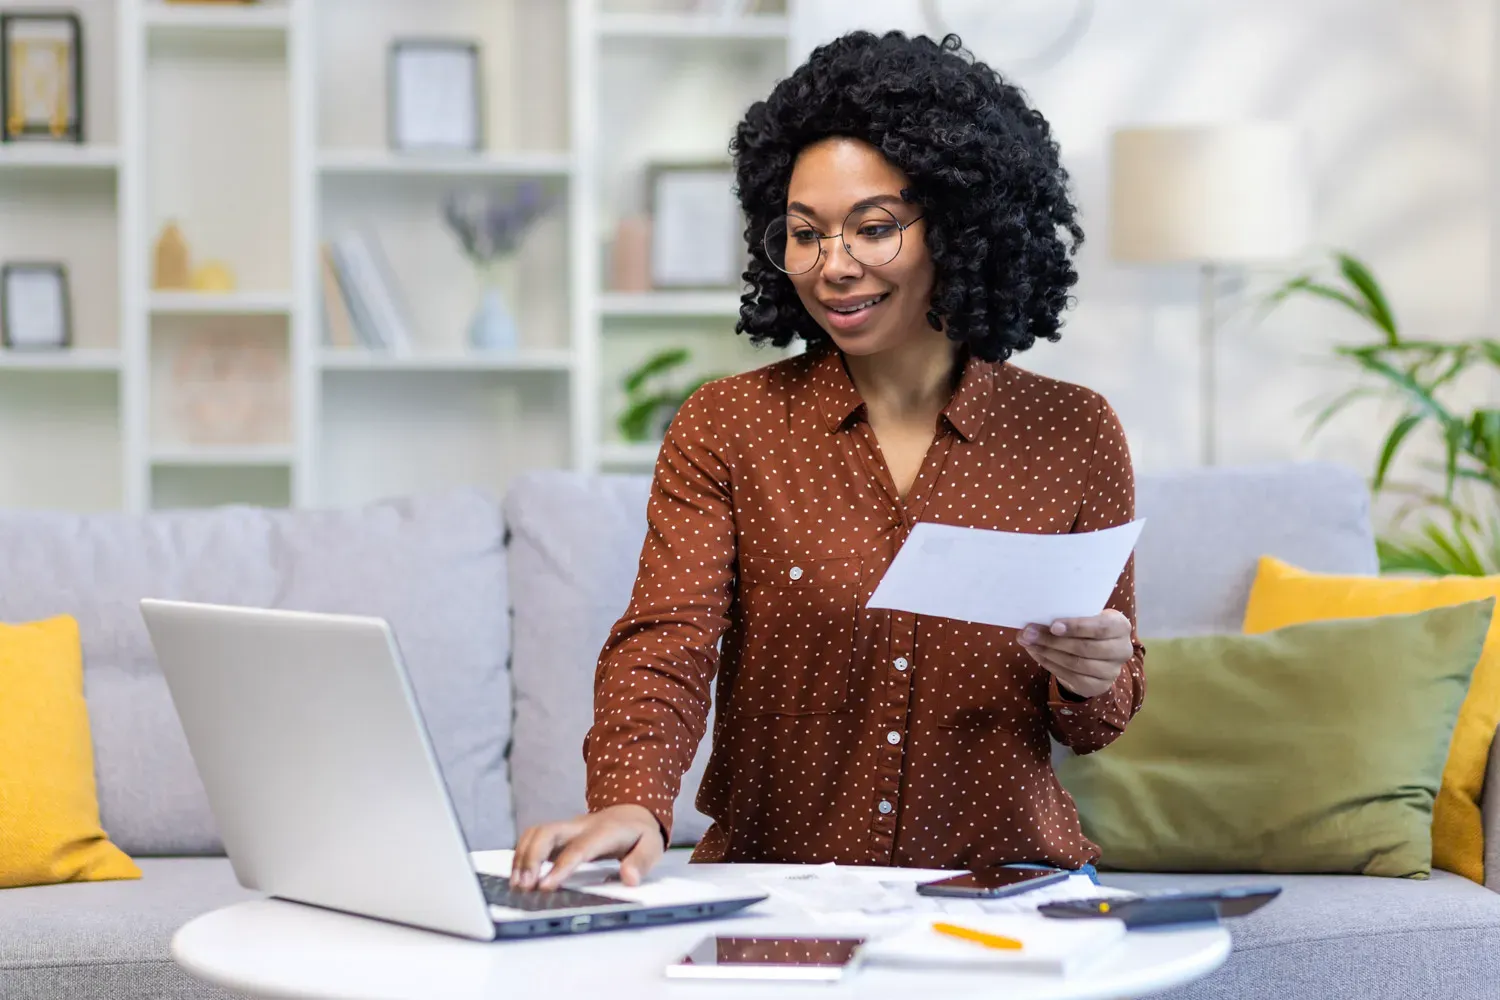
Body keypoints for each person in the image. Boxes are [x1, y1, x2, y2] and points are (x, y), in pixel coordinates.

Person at [513, 29, 1145, 891]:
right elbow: (668, 640)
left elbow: (1099, 717)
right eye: (805, 234)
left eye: (874, 228)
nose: (833, 267)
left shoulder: (1073, 432)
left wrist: (1095, 674)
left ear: (961, 226)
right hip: (779, 889)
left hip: (1008, 888)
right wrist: (633, 800)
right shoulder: (729, 426)